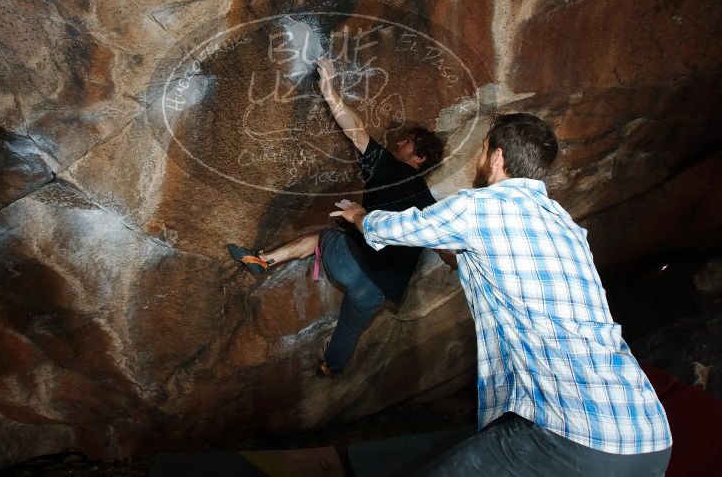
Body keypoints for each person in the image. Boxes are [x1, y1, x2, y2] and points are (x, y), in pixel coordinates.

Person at [330, 113, 673, 476]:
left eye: (481, 149)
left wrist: (359, 216)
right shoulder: (565, 225)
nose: (478, 159)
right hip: (649, 436)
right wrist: (455, 257)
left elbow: (392, 227)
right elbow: (509, 276)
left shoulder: (480, 207)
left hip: (576, 438)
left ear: (496, 156)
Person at [228, 57, 444, 376]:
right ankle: (331, 366)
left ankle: (263, 261)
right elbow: (443, 243)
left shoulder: (393, 169)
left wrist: (329, 90)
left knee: (318, 238)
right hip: (379, 292)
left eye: (408, 142)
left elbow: (357, 133)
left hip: (351, 264)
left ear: (419, 157)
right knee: (350, 327)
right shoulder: (429, 204)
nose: (399, 142)